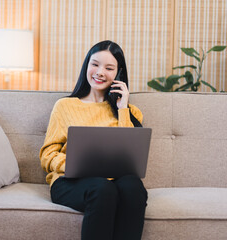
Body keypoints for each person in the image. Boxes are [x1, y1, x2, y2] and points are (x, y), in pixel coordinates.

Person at [39, 40, 147, 240]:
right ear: (86, 65)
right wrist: (72, 165)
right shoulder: (65, 106)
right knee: (103, 189)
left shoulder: (130, 112)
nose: (99, 72)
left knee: (133, 186)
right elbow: (47, 155)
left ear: (118, 74)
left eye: (109, 68)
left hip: (114, 182)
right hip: (69, 181)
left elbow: (131, 159)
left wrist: (123, 108)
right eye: (95, 64)